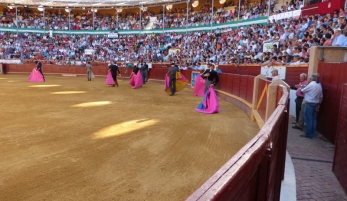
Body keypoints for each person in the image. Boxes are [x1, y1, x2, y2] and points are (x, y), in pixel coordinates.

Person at [300, 74, 323, 138]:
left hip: (310, 104)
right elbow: (321, 96)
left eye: (308, 79)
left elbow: (302, 90)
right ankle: (313, 133)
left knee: (308, 119)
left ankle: (308, 133)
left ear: (310, 79)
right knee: (313, 119)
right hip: (316, 103)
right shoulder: (319, 85)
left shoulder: (311, 84)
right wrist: (319, 105)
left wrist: (306, 84)